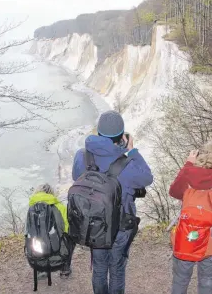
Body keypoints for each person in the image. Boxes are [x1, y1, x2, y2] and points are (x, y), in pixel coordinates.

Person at [72, 110, 153, 294]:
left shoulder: (82, 156)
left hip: (94, 223)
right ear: (121, 137)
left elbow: (76, 177)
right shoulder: (127, 164)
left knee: (99, 268)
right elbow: (147, 177)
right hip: (120, 226)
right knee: (116, 269)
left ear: (98, 133)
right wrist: (131, 150)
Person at [169, 140, 212, 294]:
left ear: (203, 154)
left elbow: (174, 192)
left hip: (187, 234)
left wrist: (188, 164)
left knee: (180, 278)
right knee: (207, 281)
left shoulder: (189, 173)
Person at [28, 183, 75, 278]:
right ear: (51, 193)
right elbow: (66, 227)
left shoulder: (31, 208)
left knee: (35, 239)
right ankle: (65, 270)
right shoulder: (59, 206)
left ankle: (41, 270)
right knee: (70, 238)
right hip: (56, 246)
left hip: (38, 247)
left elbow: (28, 230)